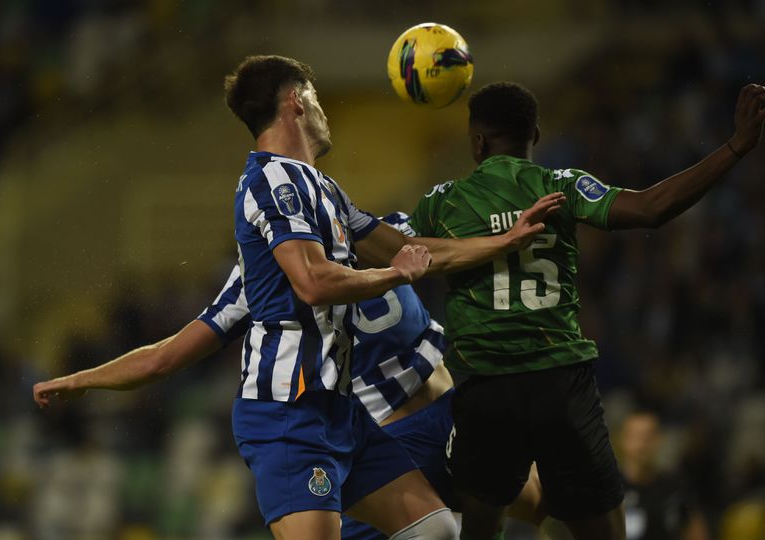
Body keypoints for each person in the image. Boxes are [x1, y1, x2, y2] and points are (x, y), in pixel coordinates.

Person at [36, 55, 562, 539]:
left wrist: (503, 240)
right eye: (317, 99)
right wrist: (395, 276)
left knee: (435, 531)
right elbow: (315, 282)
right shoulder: (269, 182)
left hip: (340, 414)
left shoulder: (325, 196)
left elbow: (409, 249)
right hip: (286, 417)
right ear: (297, 100)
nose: (324, 113)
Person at [33, 216, 548, 540]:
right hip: (388, 438)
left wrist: (504, 237)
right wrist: (84, 378)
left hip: (444, 407)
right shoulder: (255, 286)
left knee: (536, 505)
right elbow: (165, 356)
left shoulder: (367, 228)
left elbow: (441, 253)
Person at [408, 81, 765, 540]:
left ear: (477, 141)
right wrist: (735, 147)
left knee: (479, 527)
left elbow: (397, 253)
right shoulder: (564, 186)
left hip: (486, 386)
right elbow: (652, 208)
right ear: (535, 136)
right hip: (560, 384)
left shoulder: (442, 202)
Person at [618, 411, 709, 540]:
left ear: (659, 440)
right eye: (637, 436)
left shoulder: (675, 487)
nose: (643, 444)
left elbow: (696, 531)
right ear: (623, 439)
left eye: (648, 437)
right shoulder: (610, 490)